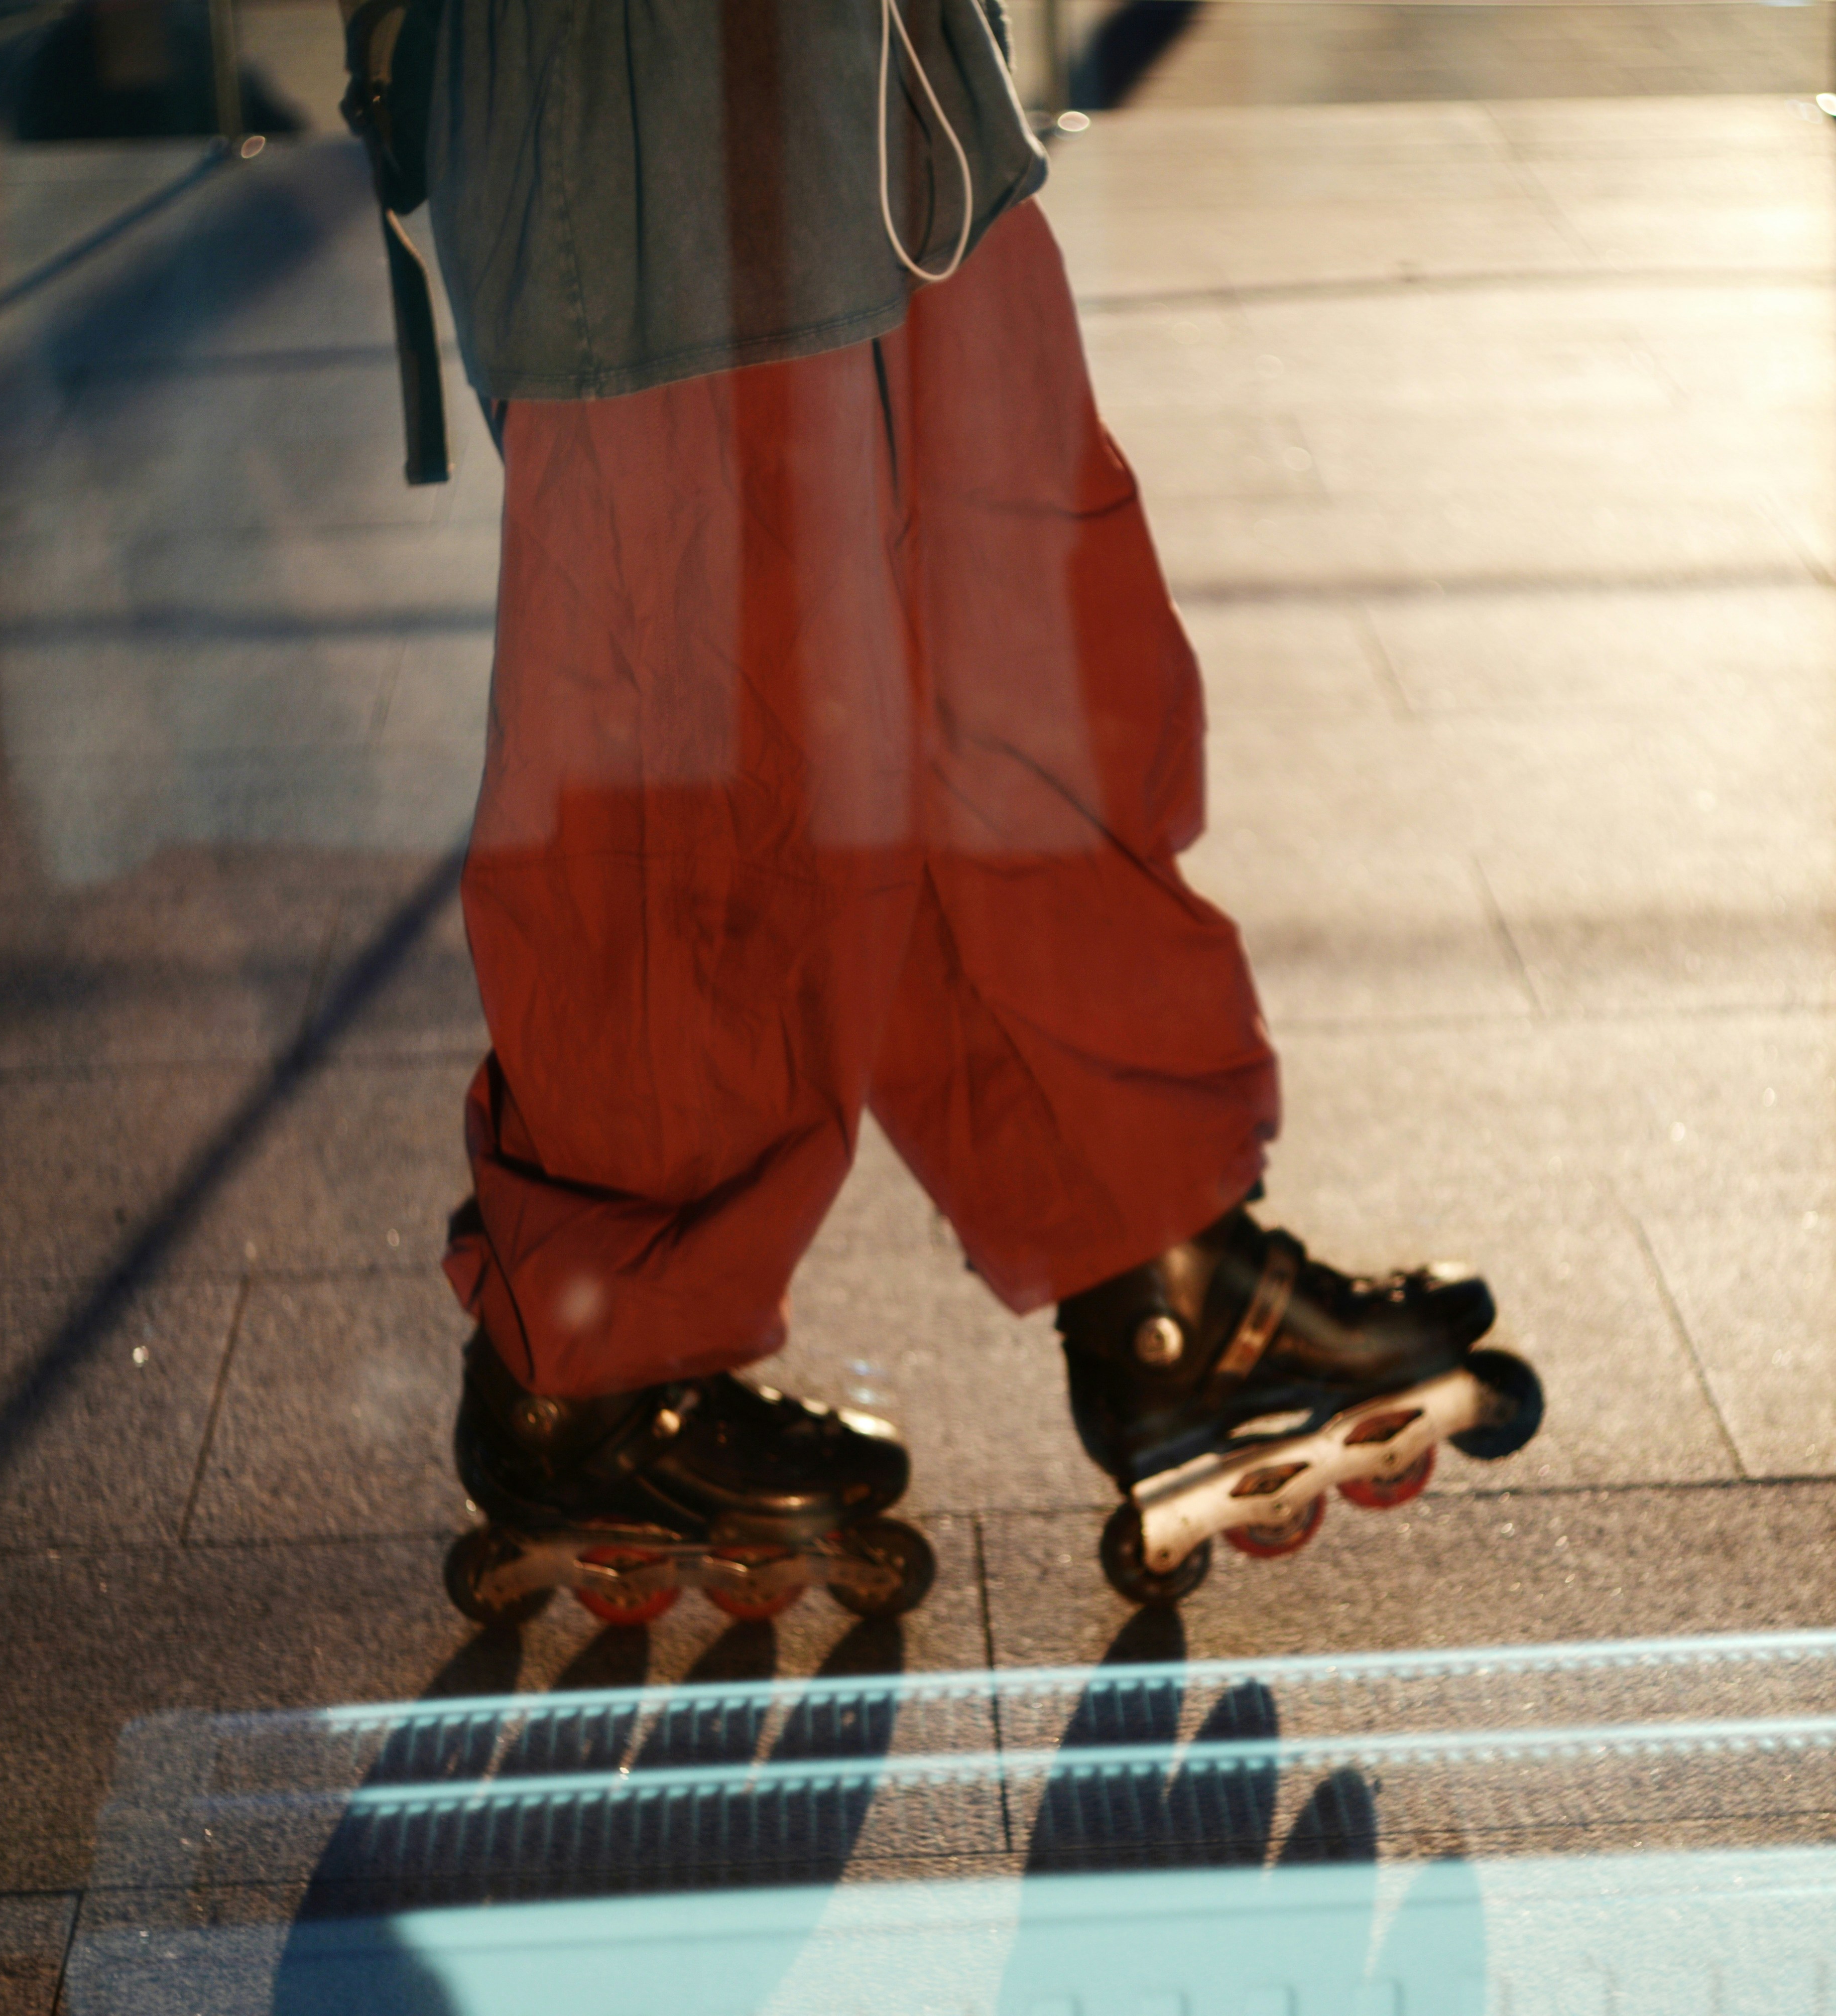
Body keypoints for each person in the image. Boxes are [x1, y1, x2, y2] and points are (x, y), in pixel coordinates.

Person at [408, 0, 1537, 1621]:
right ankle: (598, 1368)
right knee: (705, 748)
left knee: (1014, 662)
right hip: (644, 101)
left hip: (891, 83)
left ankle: (1159, 1268)